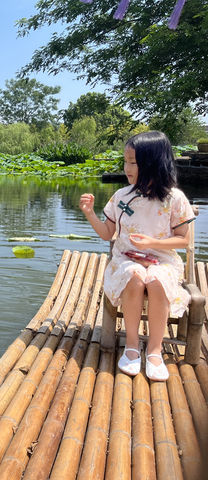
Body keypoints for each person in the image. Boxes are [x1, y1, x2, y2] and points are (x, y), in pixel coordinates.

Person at [79, 131, 195, 381]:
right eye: (126, 160)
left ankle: (154, 350)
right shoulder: (121, 197)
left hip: (162, 259)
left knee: (155, 279)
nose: (127, 167)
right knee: (135, 275)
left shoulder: (175, 199)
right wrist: (89, 214)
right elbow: (107, 233)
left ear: (153, 162)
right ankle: (132, 346)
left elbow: (183, 240)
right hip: (126, 260)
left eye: (133, 161)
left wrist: (153, 243)